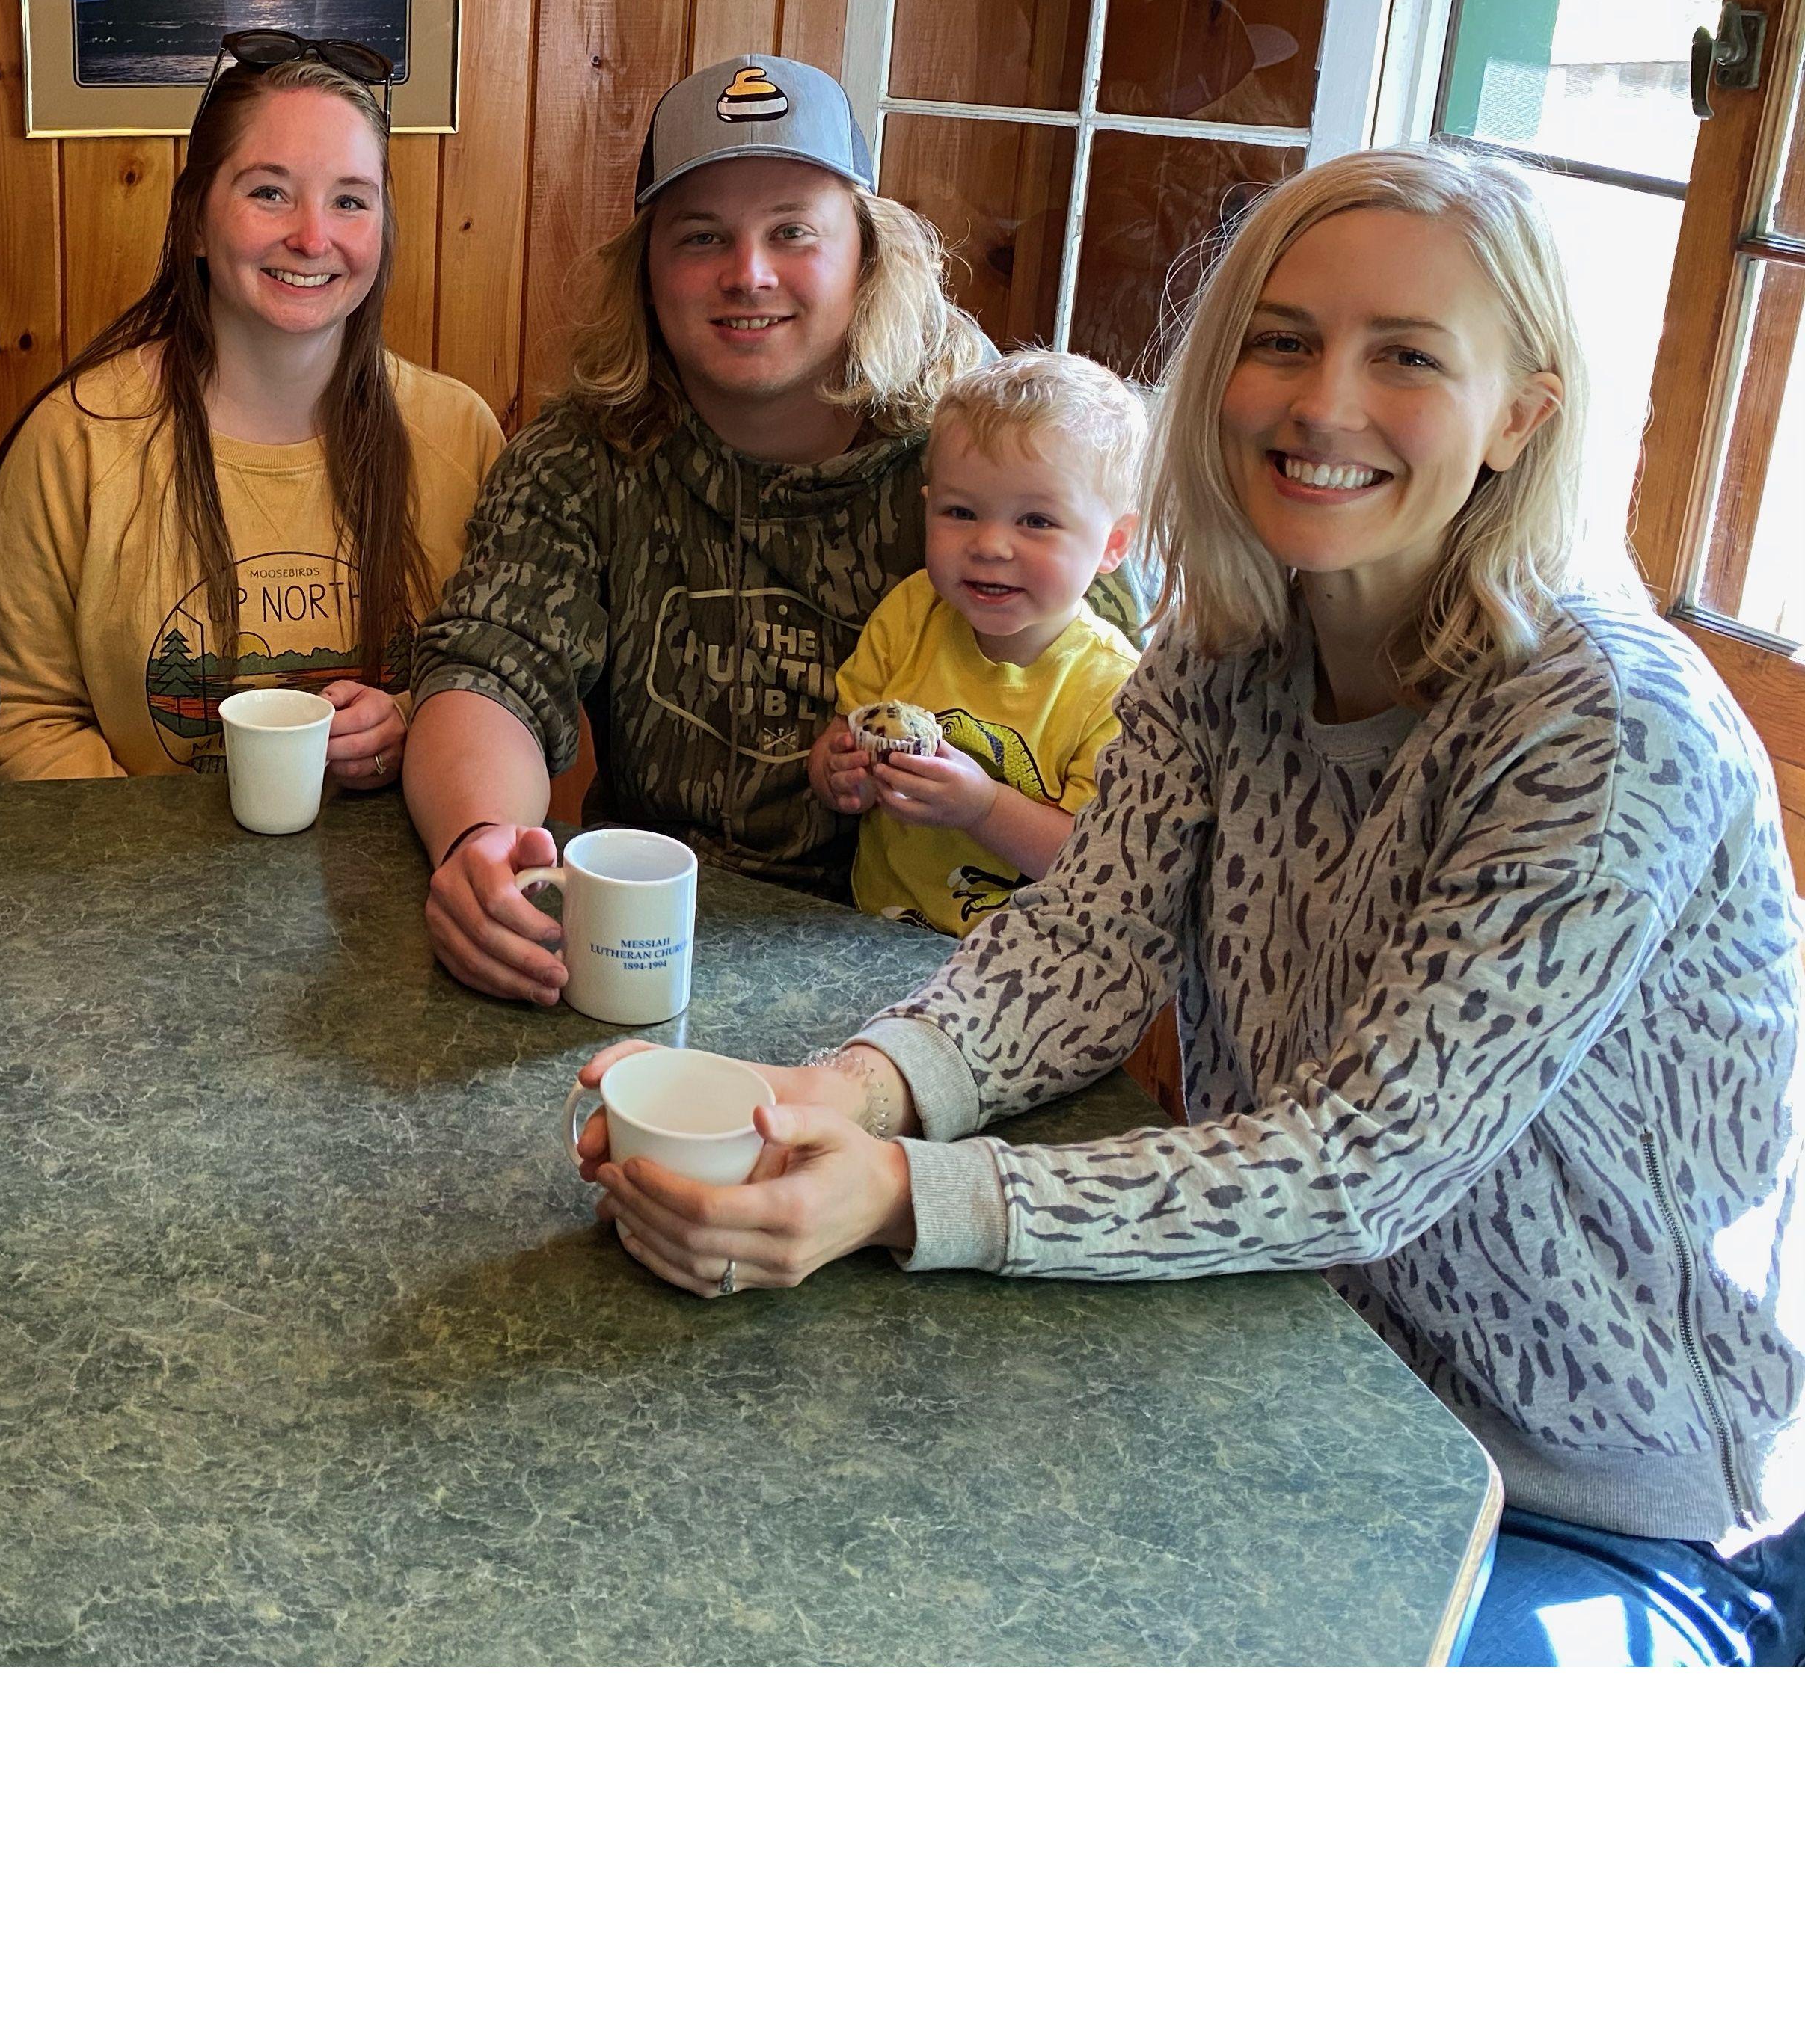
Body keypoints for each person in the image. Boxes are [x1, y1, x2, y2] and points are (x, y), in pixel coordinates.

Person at [574, 146, 1805, 1668]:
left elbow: (1363, 1160)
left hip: (1604, 1499)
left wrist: (902, 1195)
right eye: (1281, 340)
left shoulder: (1607, 728)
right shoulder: (1225, 647)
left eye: (1406, 357)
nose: (1322, 404)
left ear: (1522, 414)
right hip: (1282, 1351)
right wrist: (837, 1092)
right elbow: (1083, 951)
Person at [406, 52, 993, 1001]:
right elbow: (492, 666)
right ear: (646, 271)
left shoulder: (983, 444)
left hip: (938, 969)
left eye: (793, 231)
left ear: (869, 253)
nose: (748, 274)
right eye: (702, 237)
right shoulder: (580, 455)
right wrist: (482, 847)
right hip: (646, 952)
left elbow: (1112, 719)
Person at [0, 39, 503, 791]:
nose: (313, 237)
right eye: (269, 193)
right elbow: (20, 721)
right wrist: (182, 876)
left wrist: (415, 721)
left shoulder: (463, 435)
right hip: (142, 891)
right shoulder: (75, 440)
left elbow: (504, 693)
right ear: (194, 221)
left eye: (350, 200)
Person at [813, 346, 1144, 933]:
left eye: (1036, 521)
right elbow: (846, 736)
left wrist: (981, 807)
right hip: (873, 934)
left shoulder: (1114, 688)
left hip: (1022, 970)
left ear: (1113, 544)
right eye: (961, 512)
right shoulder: (913, 612)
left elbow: (1091, 862)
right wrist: (839, 772)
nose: (990, 545)